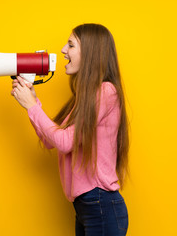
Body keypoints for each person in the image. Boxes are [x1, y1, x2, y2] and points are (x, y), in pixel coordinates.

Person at [11, 23, 129, 236]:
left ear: (91, 53)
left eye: (71, 45)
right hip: (88, 207)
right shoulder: (84, 99)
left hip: (100, 206)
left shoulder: (106, 91)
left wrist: (30, 106)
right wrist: (34, 104)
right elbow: (51, 140)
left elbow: (65, 142)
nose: (63, 50)